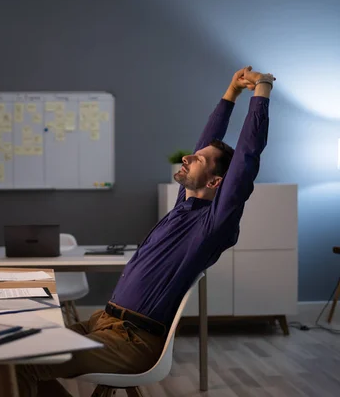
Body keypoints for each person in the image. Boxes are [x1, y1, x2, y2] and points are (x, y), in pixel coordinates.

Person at [16, 66, 275, 397]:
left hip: (132, 340)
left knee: (24, 364)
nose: (187, 156)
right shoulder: (185, 205)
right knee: (15, 354)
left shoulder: (212, 225)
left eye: (197, 160)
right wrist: (231, 93)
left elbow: (246, 160)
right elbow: (206, 140)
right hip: (102, 322)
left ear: (214, 182)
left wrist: (261, 90)